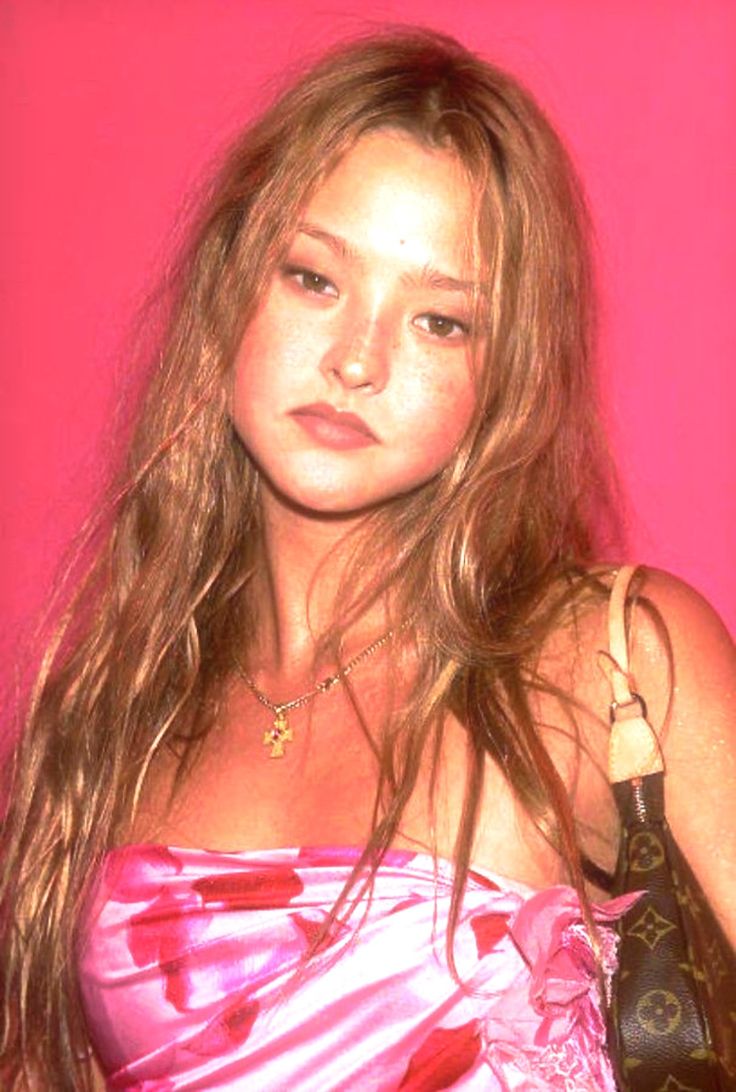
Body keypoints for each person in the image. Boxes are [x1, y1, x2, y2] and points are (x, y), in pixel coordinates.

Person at [1, 26, 734, 1092]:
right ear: (228, 291)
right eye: (313, 278)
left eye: (440, 321)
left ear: (507, 378)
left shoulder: (608, 664)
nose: (356, 359)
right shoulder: (115, 703)